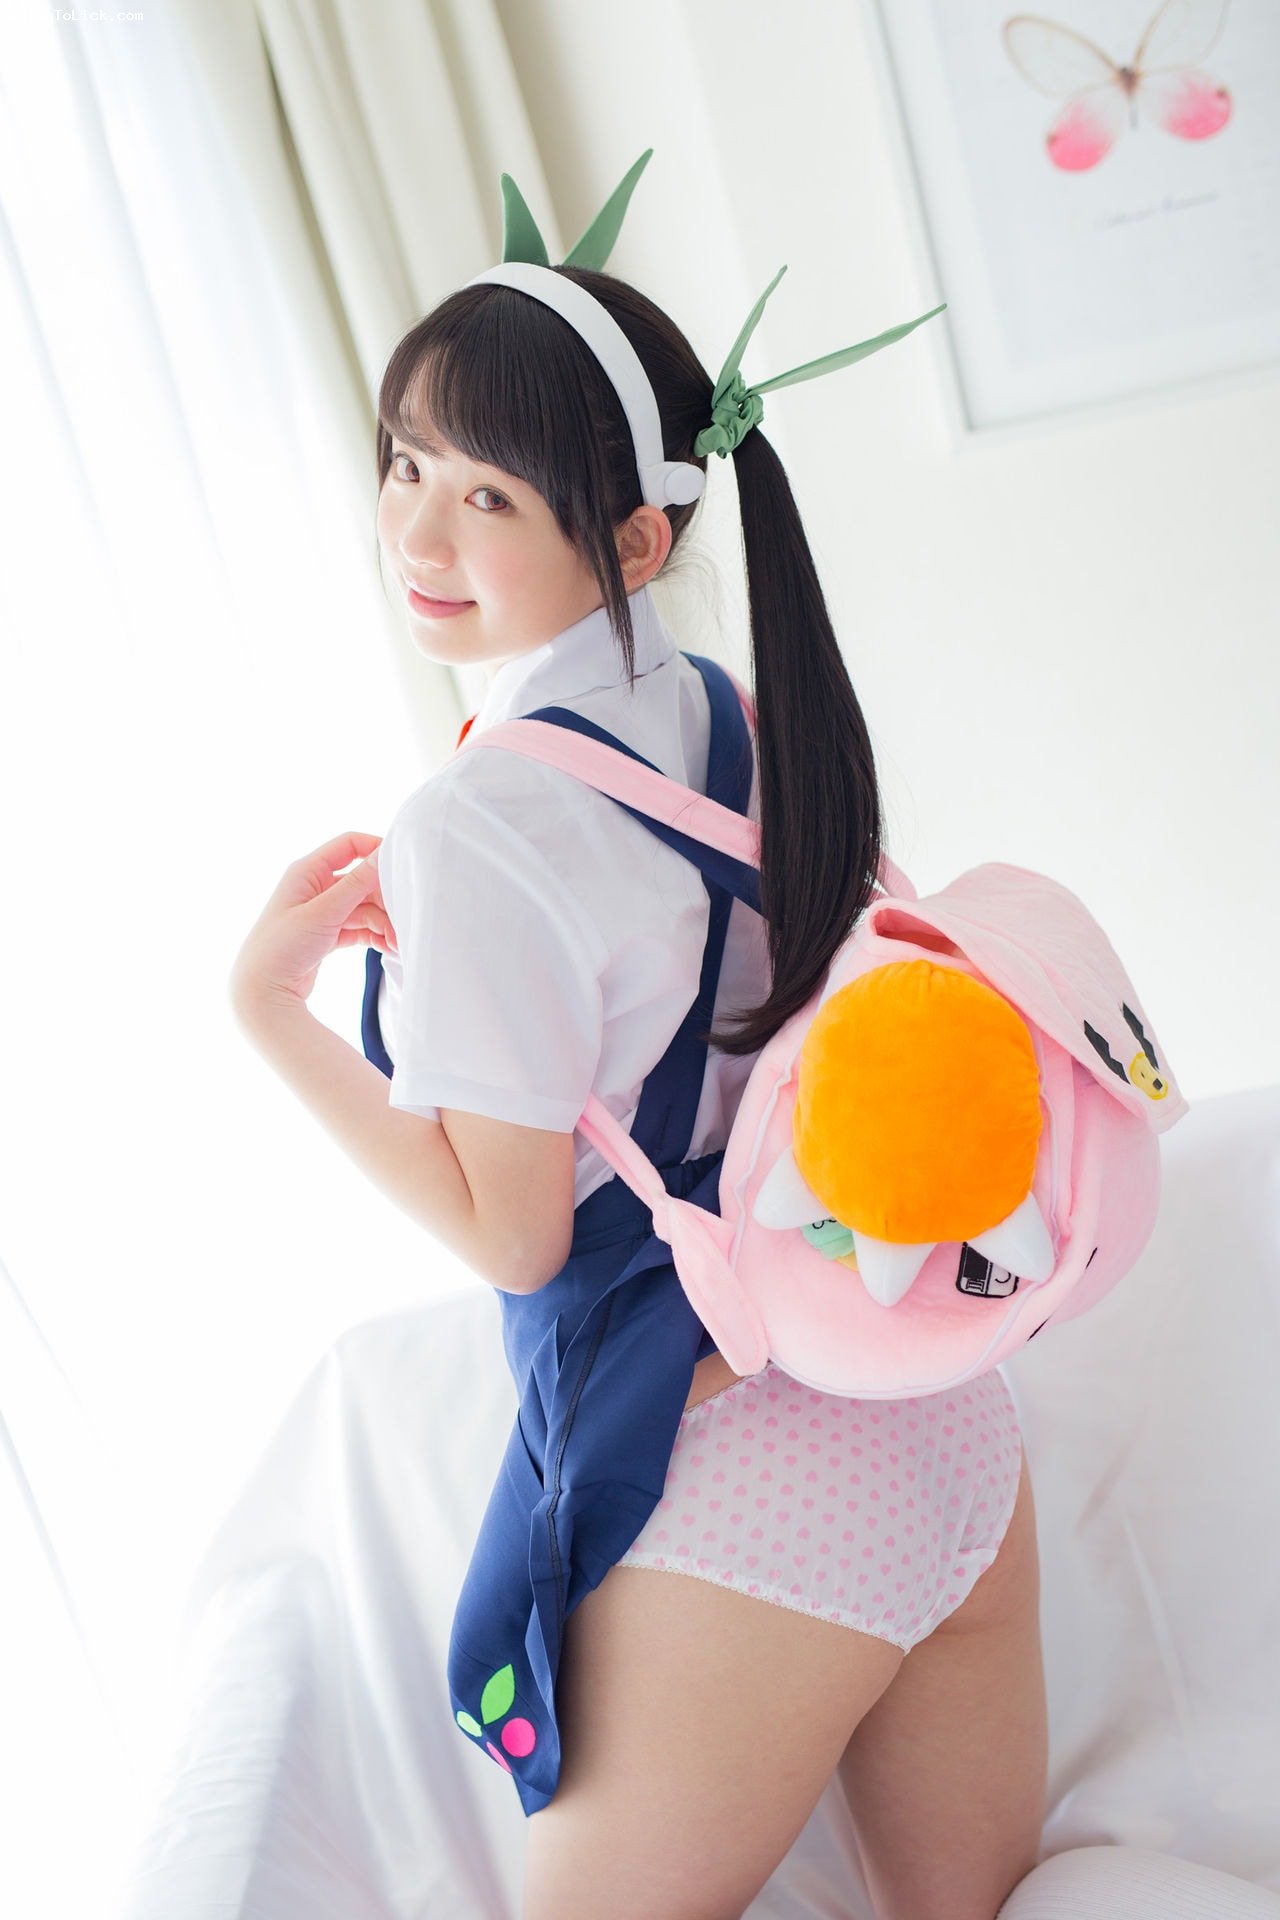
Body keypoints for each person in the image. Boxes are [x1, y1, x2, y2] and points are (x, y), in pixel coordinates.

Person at [229, 152, 1047, 1920]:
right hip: (934, 1402)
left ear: (636, 540)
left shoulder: (479, 823)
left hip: (743, 1461)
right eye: (405, 464)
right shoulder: (736, 714)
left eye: (488, 497)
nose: (419, 535)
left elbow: (513, 1233)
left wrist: (270, 1015)